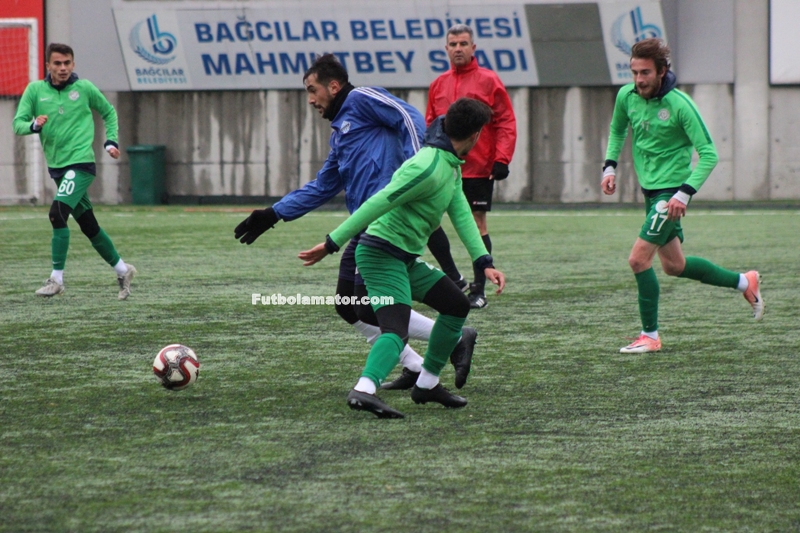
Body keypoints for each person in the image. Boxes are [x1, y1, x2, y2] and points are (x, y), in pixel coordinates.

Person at [234, 54, 477, 387]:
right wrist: (274, 213)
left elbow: (407, 116)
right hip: (368, 226)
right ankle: (422, 360)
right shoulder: (340, 134)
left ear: (334, 86)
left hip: (385, 224)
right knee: (350, 305)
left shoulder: (362, 98)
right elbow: (323, 186)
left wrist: (417, 165)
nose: (311, 100)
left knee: (364, 306)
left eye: (312, 90)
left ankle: (442, 346)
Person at [299, 98, 506, 419]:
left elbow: (462, 213)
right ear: (476, 135)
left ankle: (427, 383)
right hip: (380, 255)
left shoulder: (449, 165)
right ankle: (364, 390)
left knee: (456, 306)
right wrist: (331, 243)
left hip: (403, 259)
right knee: (394, 331)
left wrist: (484, 262)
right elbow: (378, 201)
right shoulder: (426, 166)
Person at [601, 38, 764, 354]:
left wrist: (684, 193)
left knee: (638, 259)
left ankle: (650, 335)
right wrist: (609, 167)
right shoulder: (626, 96)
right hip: (650, 191)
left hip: (670, 194)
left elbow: (709, 154)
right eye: (634, 73)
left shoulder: (680, 104)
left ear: (661, 71)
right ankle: (745, 282)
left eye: (645, 73)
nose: (638, 80)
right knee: (674, 265)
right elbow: (617, 129)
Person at [12, 43, 136, 299]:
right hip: (57, 169)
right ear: (48, 65)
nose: (63, 68)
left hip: (81, 164)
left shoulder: (84, 88)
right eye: (57, 63)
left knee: (57, 214)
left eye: (67, 63)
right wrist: (34, 125)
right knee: (89, 225)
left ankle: (56, 279)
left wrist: (111, 141)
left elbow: (109, 112)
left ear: (73, 64)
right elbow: (17, 124)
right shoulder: (35, 91)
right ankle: (123, 270)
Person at [425, 24, 517, 309]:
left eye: (463, 44)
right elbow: (430, 124)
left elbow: (505, 120)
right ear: (446, 48)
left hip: (478, 167)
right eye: (453, 44)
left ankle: (478, 290)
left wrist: (502, 158)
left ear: (473, 48)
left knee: (477, 224)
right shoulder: (438, 84)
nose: (458, 49)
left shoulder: (489, 80)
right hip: (443, 165)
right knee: (428, 220)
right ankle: (454, 278)